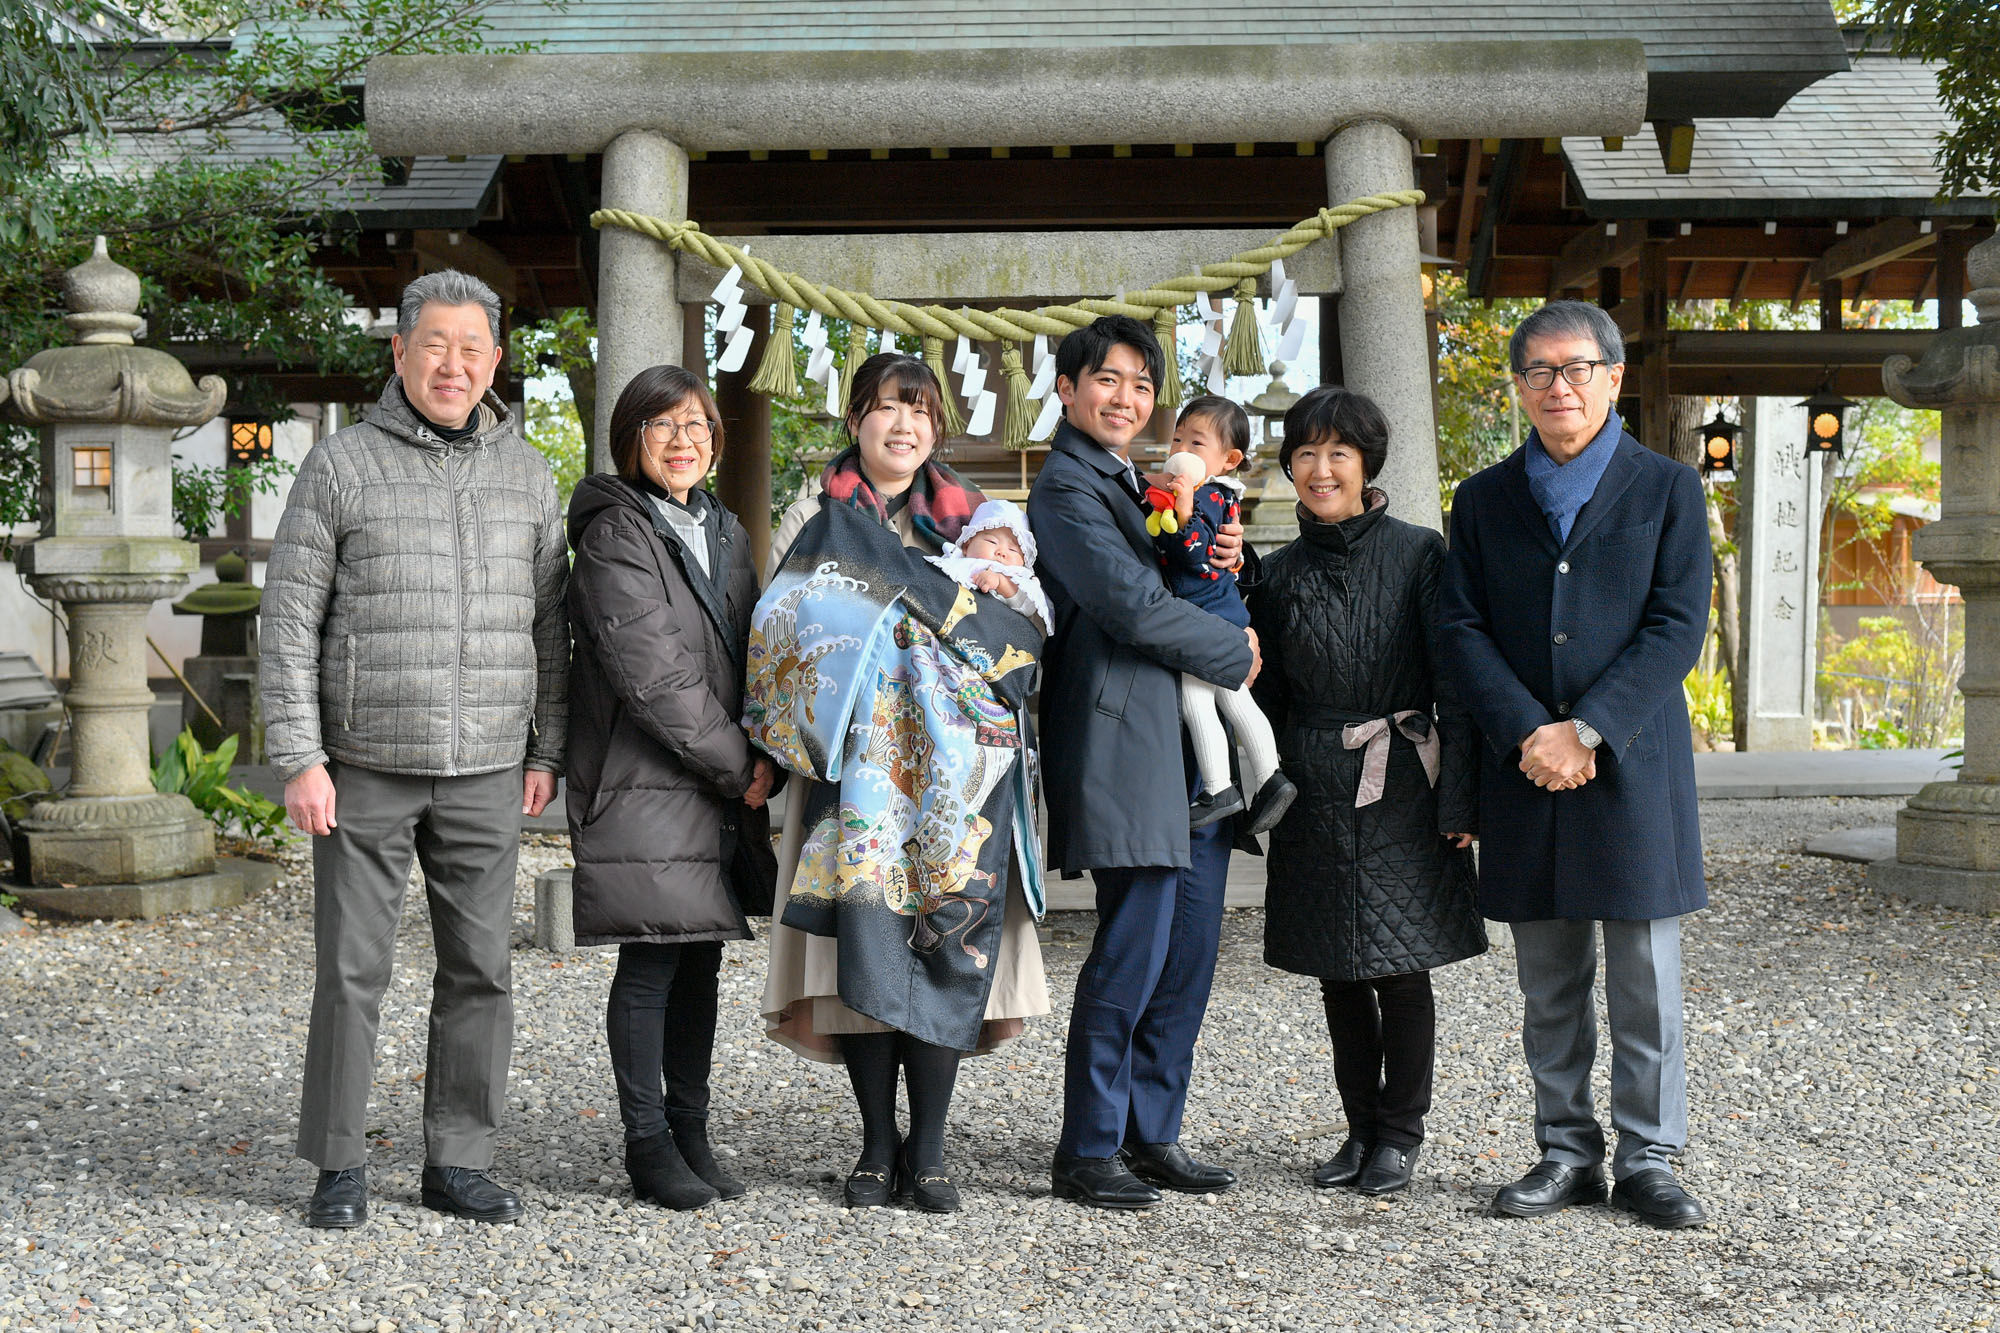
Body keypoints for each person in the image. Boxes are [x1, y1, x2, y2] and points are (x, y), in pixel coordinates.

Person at [261, 269, 568, 1229]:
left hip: (488, 763)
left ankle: (460, 1160)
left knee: (481, 969)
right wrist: (300, 756)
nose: (453, 364)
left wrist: (547, 748)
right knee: (353, 971)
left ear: (495, 361)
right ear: (400, 351)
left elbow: (552, 626)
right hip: (364, 763)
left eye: (472, 347)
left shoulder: (529, 474)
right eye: (435, 344)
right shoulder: (340, 464)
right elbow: (288, 619)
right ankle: (338, 1162)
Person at [1436, 300, 1713, 1230]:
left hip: (1631, 762)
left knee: (1644, 976)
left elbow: (1677, 626)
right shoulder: (1483, 500)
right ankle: (1566, 1149)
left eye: (1578, 368)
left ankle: (1650, 1157)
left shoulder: (1667, 488)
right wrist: (1531, 732)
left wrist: (1586, 729)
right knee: (1548, 979)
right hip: (1527, 767)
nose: (1560, 386)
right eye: (1540, 371)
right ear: (1519, 387)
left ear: (1613, 377)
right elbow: (1462, 628)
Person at [757, 352, 1050, 1214]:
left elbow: (1019, 633)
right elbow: (785, 624)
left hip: (956, 773)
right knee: (860, 938)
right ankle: (876, 1144)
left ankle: (930, 1148)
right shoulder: (815, 513)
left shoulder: (975, 524)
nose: (903, 425)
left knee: (942, 942)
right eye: (886, 407)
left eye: (920, 411)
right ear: (856, 420)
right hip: (854, 768)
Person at [1029, 314, 1257, 1209]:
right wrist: (1235, 650)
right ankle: (1087, 1146)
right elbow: (1130, 606)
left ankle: (1151, 1130)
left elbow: (1184, 574)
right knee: (1133, 945)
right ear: (1068, 389)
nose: (1127, 398)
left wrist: (1231, 554)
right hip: (1123, 734)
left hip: (1187, 743)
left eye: (1142, 385)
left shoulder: (1139, 481)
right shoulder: (1066, 488)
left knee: (1188, 947)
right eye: (1108, 380)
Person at [1245, 385, 1487, 1197]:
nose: (1322, 469)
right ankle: (1358, 1128)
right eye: (1306, 453)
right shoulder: (1276, 573)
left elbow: (1456, 678)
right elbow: (1266, 696)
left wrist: (1462, 797)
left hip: (1404, 778)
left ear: (1366, 463)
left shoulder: (1420, 553)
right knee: (1338, 968)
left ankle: (1400, 1134)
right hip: (1315, 778)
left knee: (1402, 965)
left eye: (1338, 453)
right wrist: (1268, 786)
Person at [563, 365, 779, 1210]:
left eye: (696, 426)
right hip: (642, 776)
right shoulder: (617, 531)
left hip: (713, 777)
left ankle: (691, 1130)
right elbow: (652, 674)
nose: (682, 441)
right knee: (653, 957)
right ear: (631, 439)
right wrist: (739, 763)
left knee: (700, 960)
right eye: (662, 426)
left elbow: (757, 647)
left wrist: (773, 747)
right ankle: (647, 1142)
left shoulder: (722, 527)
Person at [1155, 395, 1295, 833]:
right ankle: (1270, 775)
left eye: (1196, 443)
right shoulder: (1215, 494)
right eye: (1177, 439)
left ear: (1229, 459)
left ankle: (1220, 788)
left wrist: (1180, 511)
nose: (1181, 450)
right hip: (1221, 614)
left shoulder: (1207, 496)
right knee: (1235, 700)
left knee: (1195, 700)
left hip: (1205, 619)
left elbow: (1194, 553)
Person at [924, 498, 1053, 634]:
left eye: (1013, 550)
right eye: (992, 542)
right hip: (942, 618)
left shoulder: (1018, 576)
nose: (1002, 552)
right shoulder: (954, 560)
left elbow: (1027, 606)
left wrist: (1001, 582)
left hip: (989, 634)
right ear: (967, 545)